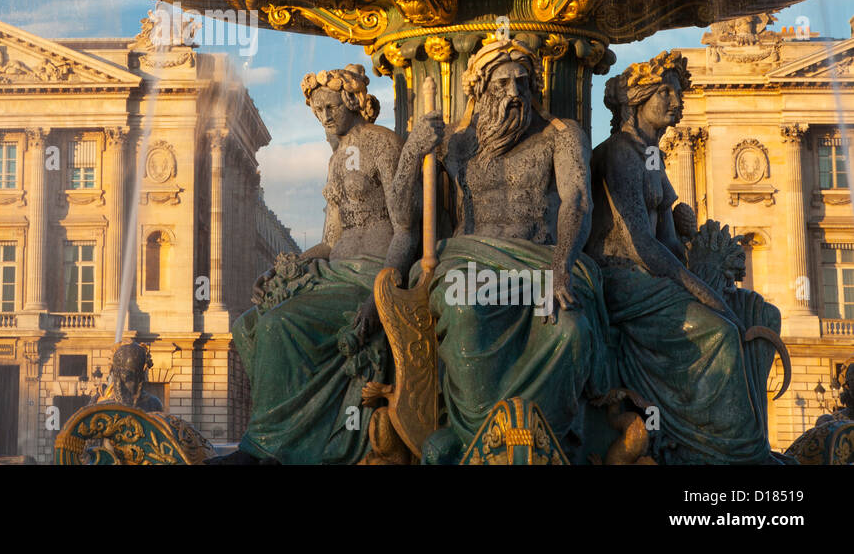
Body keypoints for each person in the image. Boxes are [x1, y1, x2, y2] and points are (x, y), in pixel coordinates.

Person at [228, 64, 436, 464]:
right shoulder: (338, 159)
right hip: (333, 271)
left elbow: (405, 230)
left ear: (353, 101)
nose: (324, 115)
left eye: (331, 105)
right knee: (247, 326)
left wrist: (381, 293)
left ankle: (266, 447)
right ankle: (294, 433)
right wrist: (281, 268)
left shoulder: (382, 144)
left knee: (278, 325)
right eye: (317, 108)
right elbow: (331, 240)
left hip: (367, 274)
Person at [418, 39, 611, 461]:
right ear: (480, 89)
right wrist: (414, 149)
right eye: (501, 83)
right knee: (465, 309)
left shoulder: (561, 135)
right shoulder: (453, 143)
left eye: (521, 84)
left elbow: (577, 200)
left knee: (570, 331)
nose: (512, 94)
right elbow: (409, 214)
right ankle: (479, 440)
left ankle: (549, 444)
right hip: (472, 260)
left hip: (542, 259)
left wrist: (563, 264)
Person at [587, 51, 779, 463]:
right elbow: (639, 243)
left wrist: (683, 233)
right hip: (621, 278)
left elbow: (667, 245)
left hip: (651, 277)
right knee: (720, 332)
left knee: (748, 313)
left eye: (678, 94)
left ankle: (731, 440)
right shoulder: (620, 153)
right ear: (637, 100)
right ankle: (729, 449)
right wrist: (699, 290)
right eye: (666, 94)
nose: (677, 103)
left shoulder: (651, 156)